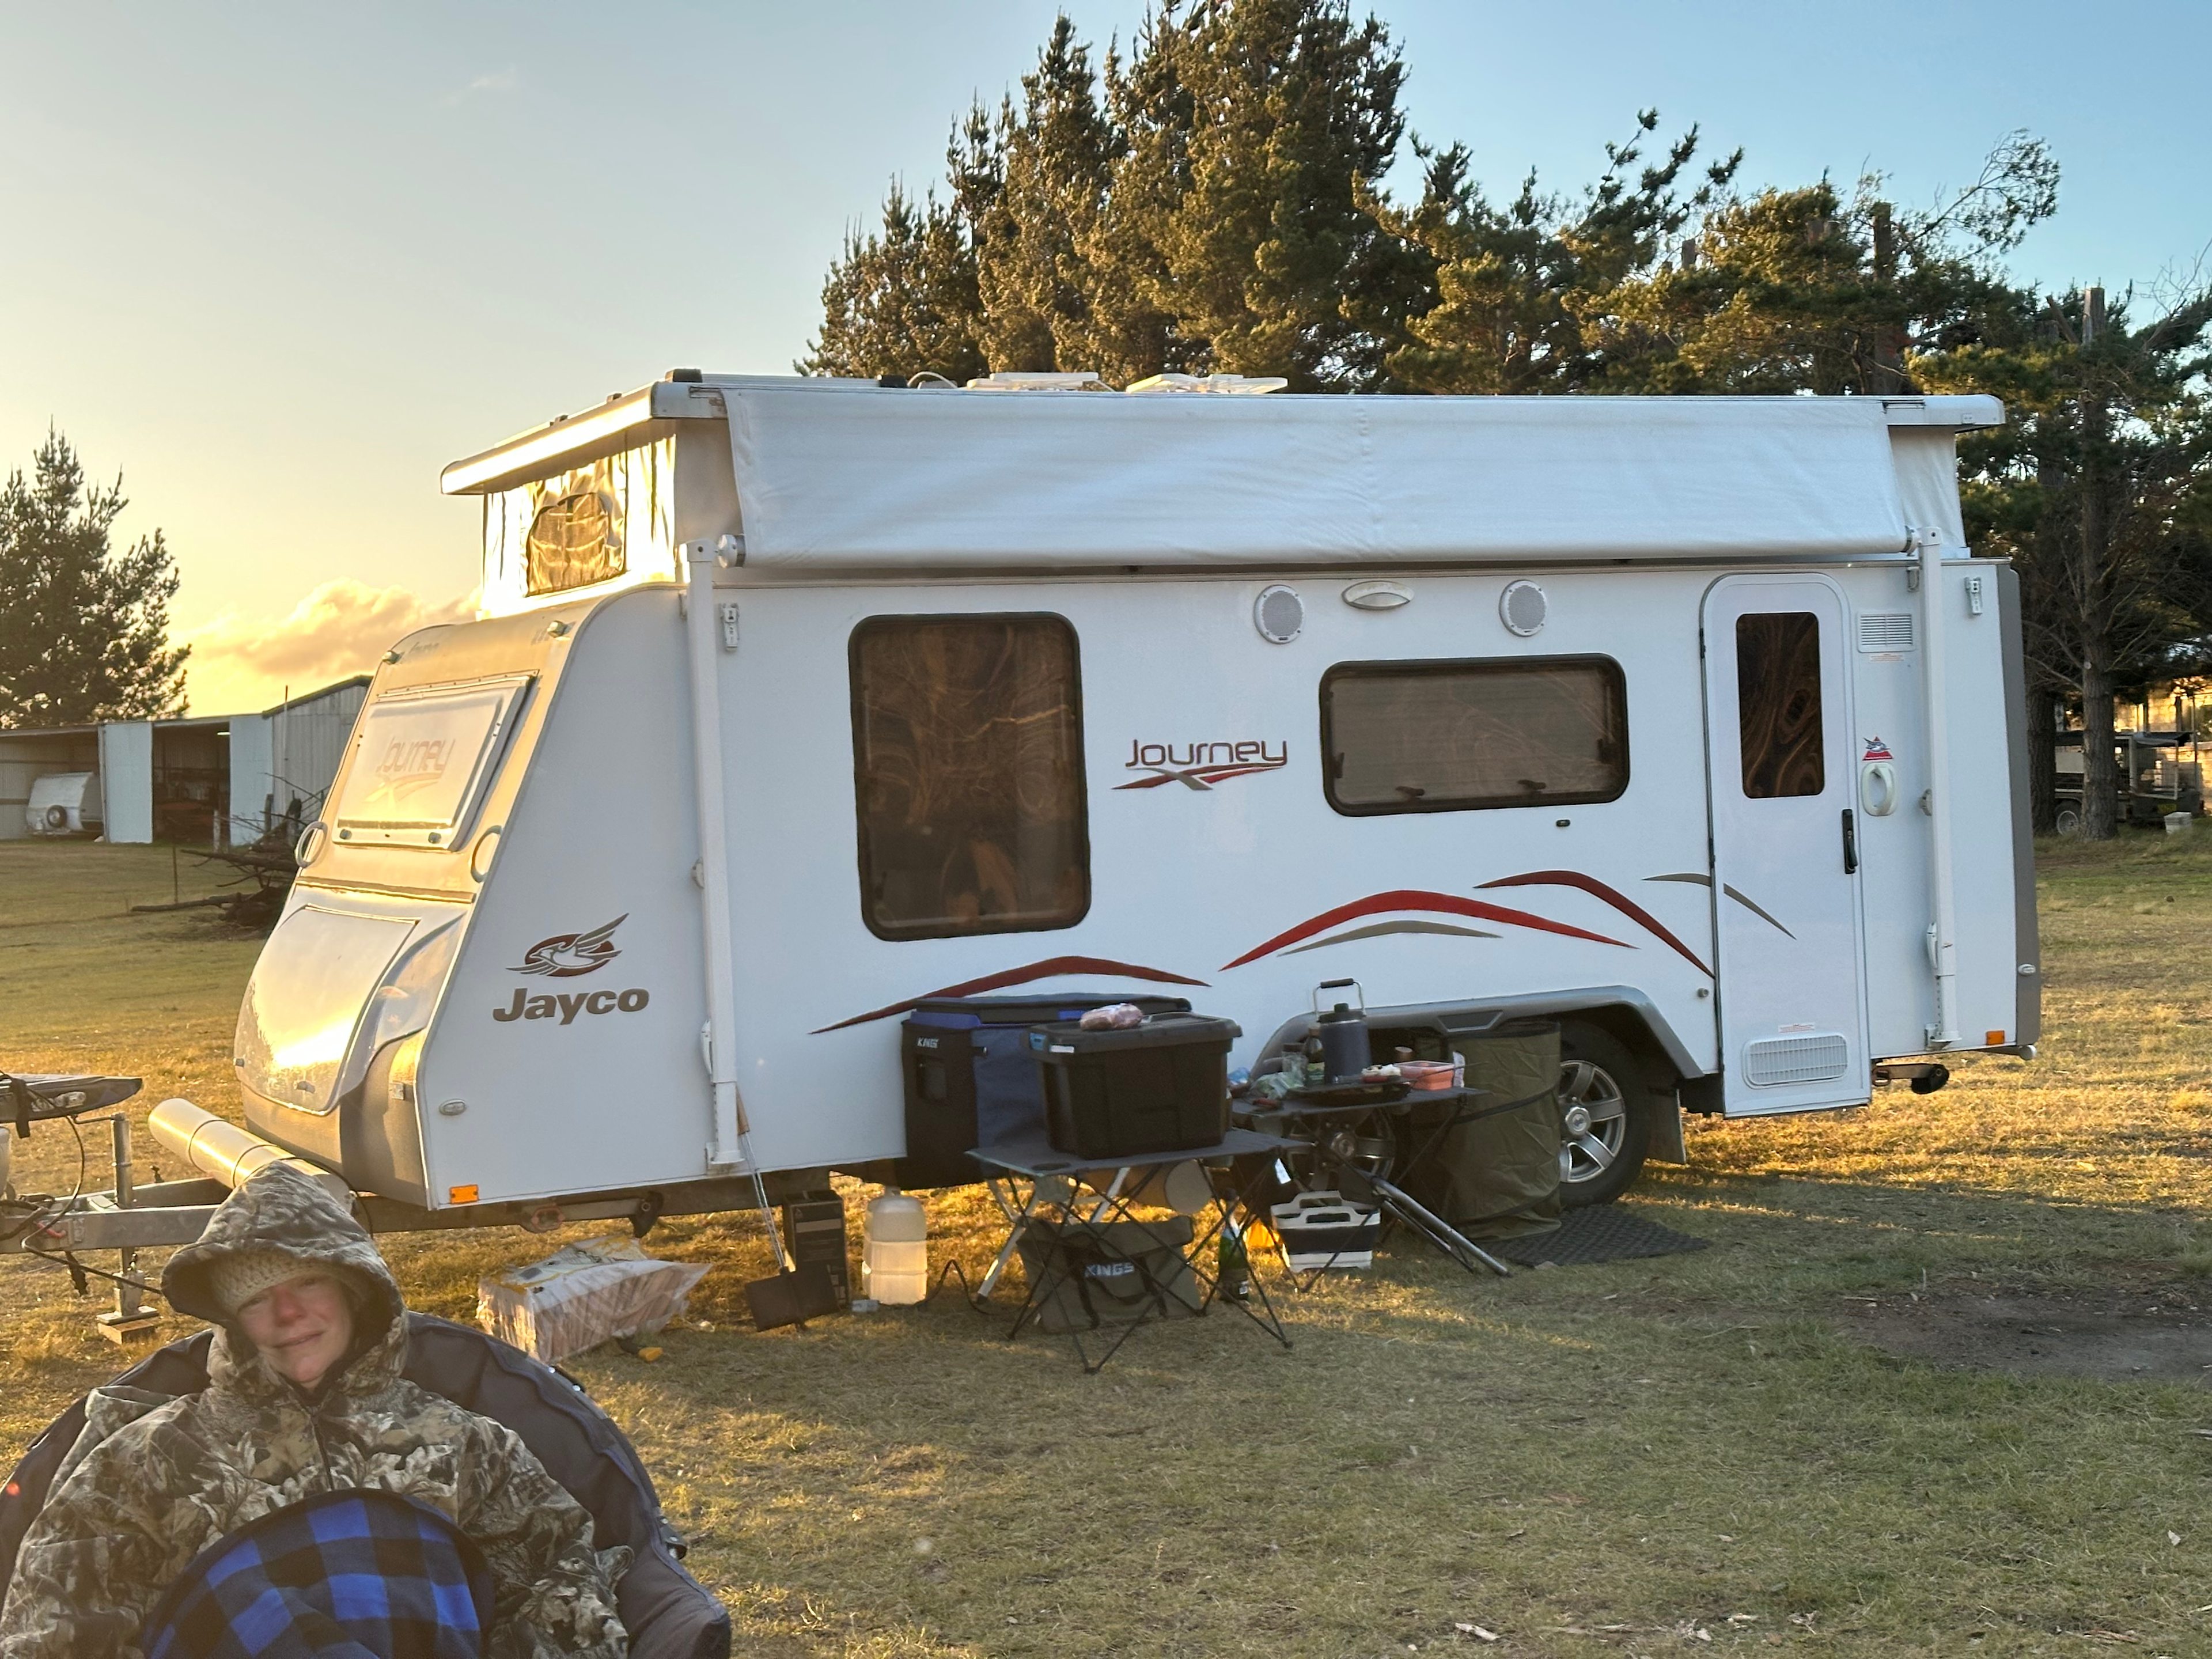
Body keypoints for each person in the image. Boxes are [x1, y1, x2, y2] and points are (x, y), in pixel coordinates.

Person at [0, 1160, 630, 1658]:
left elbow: (560, 1574)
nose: (288, 1315)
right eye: (256, 1299)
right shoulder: (152, 1457)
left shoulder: (465, 1444)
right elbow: (57, 1623)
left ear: (355, 1292)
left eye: (307, 1283)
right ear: (234, 1322)